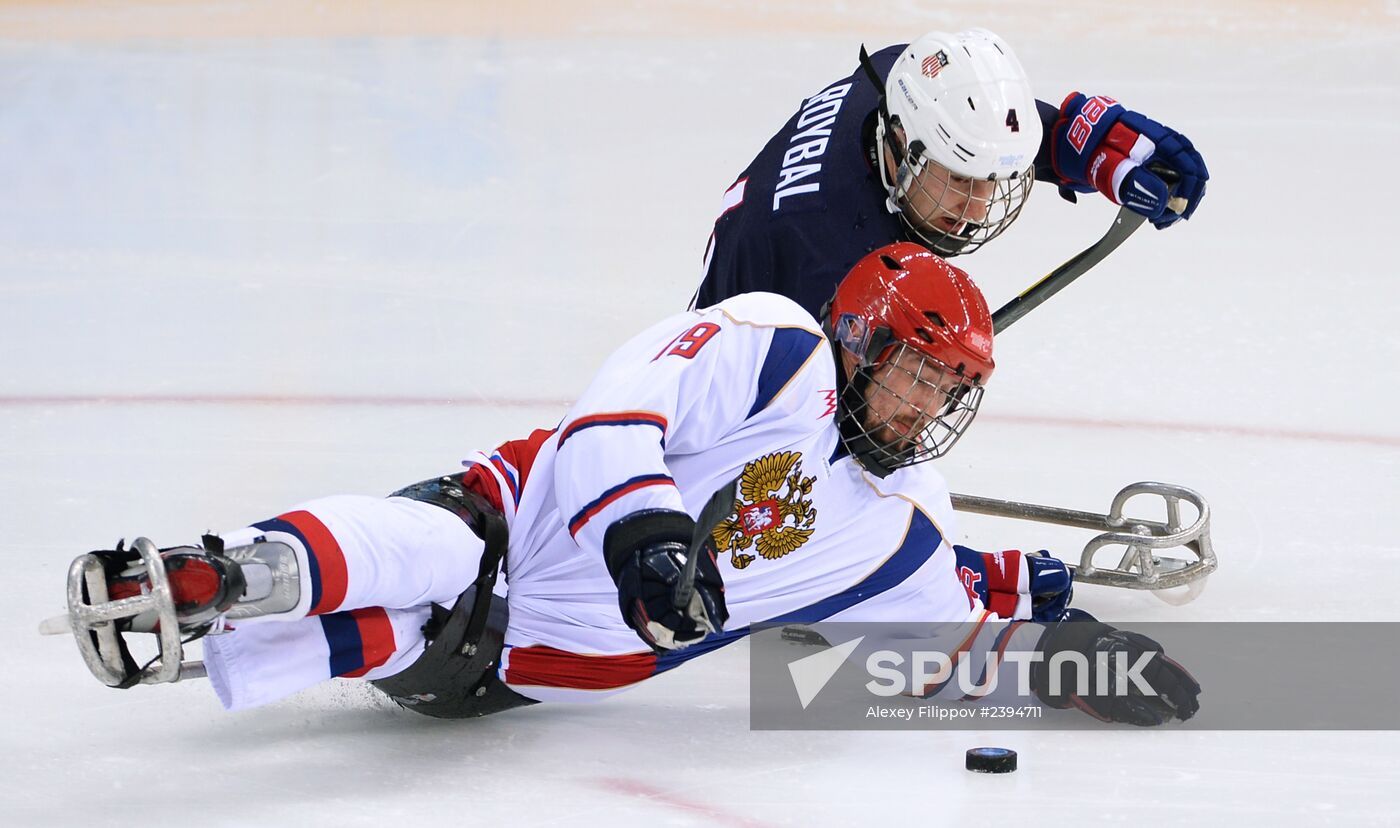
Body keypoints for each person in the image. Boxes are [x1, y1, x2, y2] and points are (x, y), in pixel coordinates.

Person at [62, 243, 1199, 725]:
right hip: (516, 517)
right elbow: (620, 407)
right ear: (859, 339)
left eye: (947, 391)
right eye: (913, 371)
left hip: (516, 676)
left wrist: (1067, 659)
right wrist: (647, 532)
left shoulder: (901, 532)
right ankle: (215, 577)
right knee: (440, 556)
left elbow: (940, 644)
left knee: (422, 634)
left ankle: (221, 624)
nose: (921, 409)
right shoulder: (776, 347)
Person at [692, 28, 1210, 319]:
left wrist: (1079, 141)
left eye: (992, 180)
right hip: (737, 379)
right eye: (961, 180)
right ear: (900, 146)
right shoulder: (824, 253)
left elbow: (972, 120)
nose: (981, 205)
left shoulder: (902, 80)